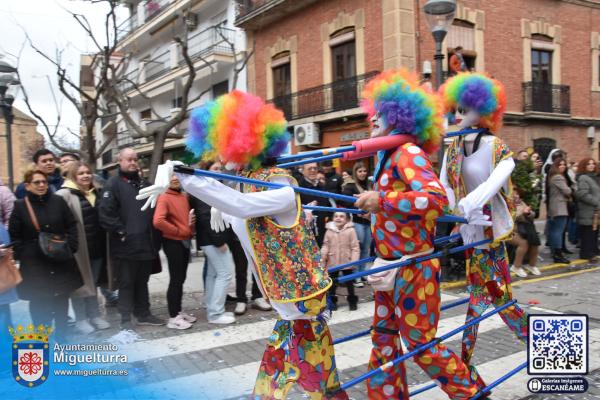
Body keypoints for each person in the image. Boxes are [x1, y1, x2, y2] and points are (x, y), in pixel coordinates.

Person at [138, 90, 348, 399]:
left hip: (303, 297)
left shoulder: (281, 185)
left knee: (294, 372)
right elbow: (237, 201)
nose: (220, 156)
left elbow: (242, 205)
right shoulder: (250, 177)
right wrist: (219, 199)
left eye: (225, 145)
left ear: (247, 143)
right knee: (308, 370)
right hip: (286, 297)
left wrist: (188, 180)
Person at [356, 69, 484, 398]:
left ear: (399, 116)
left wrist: (381, 199)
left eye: (378, 114)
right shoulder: (386, 155)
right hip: (386, 267)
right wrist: (374, 206)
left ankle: (471, 393)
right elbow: (393, 208)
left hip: (414, 269)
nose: (372, 120)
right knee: (383, 338)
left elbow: (437, 199)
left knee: (420, 345)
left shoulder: (408, 153)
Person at [440, 72, 528, 390]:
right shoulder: (453, 148)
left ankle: (552, 349)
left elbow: (495, 182)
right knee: (477, 304)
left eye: (466, 108)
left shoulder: (496, 146)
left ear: (485, 108)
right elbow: (445, 185)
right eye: (457, 108)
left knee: (501, 303)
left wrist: (468, 205)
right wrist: (456, 211)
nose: (459, 113)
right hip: (471, 240)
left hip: (490, 238)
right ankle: (468, 376)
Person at [9, 170, 82, 342]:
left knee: (61, 301)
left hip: (60, 261)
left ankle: (62, 339)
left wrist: (71, 246)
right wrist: (25, 254)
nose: (42, 185)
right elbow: (14, 234)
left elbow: (71, 225)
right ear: (27, 185)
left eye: (44, 182)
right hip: (35, 267)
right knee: (39, 304)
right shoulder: (20, 206)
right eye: (37, 182)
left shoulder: (58, 201)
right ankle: (42, 340)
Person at [98, 148, 164, 330]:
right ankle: (125, 318)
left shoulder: (145, 184)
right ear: (120, 161)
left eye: (135, 159)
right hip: (125, 246)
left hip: (146, 243)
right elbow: (105, 214)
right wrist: (122, 232)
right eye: (129, 159)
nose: (133, 162)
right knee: (126, 283)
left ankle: (143, 313)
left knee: (142, 282)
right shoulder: (112, 184)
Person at [56, 161, 111, 334]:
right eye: (81, 173)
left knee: (92, 285)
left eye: (87, 172)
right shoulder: (63, 195)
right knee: (79, 286)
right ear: (73, 176)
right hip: (78, 250)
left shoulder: (96, 192)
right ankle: (81, 319)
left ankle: (94, 315)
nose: (85, 176)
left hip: (97, 248)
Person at [189, 161, 236, 325]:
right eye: (215, 169)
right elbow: (205, 217)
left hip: (211, 240)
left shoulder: (210, 188)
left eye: (220, 168)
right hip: (213, 240)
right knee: (225, 273)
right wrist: (219, 241)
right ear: (206, 171)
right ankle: (216, 313)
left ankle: (211, 308)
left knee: (213, 274)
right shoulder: (205, 190)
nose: (219, 171)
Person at [153, 173, 197, 329]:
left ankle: (178, 311)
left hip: (184, 242)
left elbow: (185, 220)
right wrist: (178, 231)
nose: (174, 178)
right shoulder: (164, 197)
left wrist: (189, 227)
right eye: (170, 175)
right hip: (173, 243)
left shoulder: (183, 196)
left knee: (181, 279)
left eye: (177, 175)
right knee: (176, 280)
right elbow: (158, 221)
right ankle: (173, 318)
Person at [341, 161, 372, 287]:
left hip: (369, 220)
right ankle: (356, 276)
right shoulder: (350, 185)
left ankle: (363, 273)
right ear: (355, 172)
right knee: (357, 248)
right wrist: (356, 208)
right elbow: (344, 200)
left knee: (366, 249)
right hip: (357, 221)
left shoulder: (370, 184)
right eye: (360, 171)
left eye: (364, 171)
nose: (363, 173)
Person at [321, 212, 359, 311]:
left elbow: (355, 247)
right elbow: (326, 244)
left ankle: (352, 301)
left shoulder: (351, 230)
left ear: (347, 219)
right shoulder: (329, 231)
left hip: (347, 261)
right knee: (332, 283)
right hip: (332, 261)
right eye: (336, 216)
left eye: (342, 216)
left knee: (349, 282)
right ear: (333, 218)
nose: (338, 218)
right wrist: (323, 255)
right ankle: (332, 302)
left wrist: (354, 262)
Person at [509, 189, 541, 277]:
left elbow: (532, 215)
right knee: (524, 243)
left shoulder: (521, 203)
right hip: (509, 231)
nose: (516, 196)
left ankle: (531, 265)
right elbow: (511, 218)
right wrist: (522, 213)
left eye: (517, 193)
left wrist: (529, 213)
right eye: (513, 193)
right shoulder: (507, 204)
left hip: (523, 230)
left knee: (535, 242)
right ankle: (516, 266)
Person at [546, 158, 572, 264]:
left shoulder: (552, 177)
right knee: (558, 232)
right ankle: (558, 254)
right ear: (555, 166)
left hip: (554, 208)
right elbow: (567, 191)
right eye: (560, 165)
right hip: (560, 208)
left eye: (564, 165)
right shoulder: (558, 177)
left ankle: (555, 253)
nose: (563, 166)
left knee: (554, 231)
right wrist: (570, 191)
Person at [298, 161, 330, 246]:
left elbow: (328, 205)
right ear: (303, 171)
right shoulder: (298, 187)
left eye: (315, 168)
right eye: (309, 168)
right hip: (306, 229)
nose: (313, 170)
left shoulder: (322, 186)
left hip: (322, 228)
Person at [575, 158, 600, 260]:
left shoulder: (594, 177)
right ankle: (586, 253)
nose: (591, 166)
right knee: (588, 232)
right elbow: (582, 194)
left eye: (593, 164)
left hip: (595, 210)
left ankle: (593, 251)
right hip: (587, 210)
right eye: (588, 164)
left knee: (594, 231)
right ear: (584, 166)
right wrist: (596, 202)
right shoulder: (583, 178)